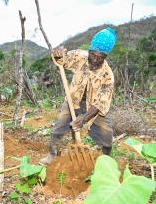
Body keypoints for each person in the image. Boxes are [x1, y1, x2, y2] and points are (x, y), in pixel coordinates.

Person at [39, 27, 117, 166]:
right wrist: (59, 52)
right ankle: (52, 155)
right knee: (60, 126)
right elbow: (62, 60)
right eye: (93, 55)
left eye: (101, 57)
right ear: (89, 51)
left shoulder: (107, 75)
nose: (96, 59)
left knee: (106, 133)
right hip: (73, 100)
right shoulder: (80, 57)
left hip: (94, 107)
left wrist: (84, 118)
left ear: (105, 57)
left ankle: (106, 161)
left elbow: (101, 103)